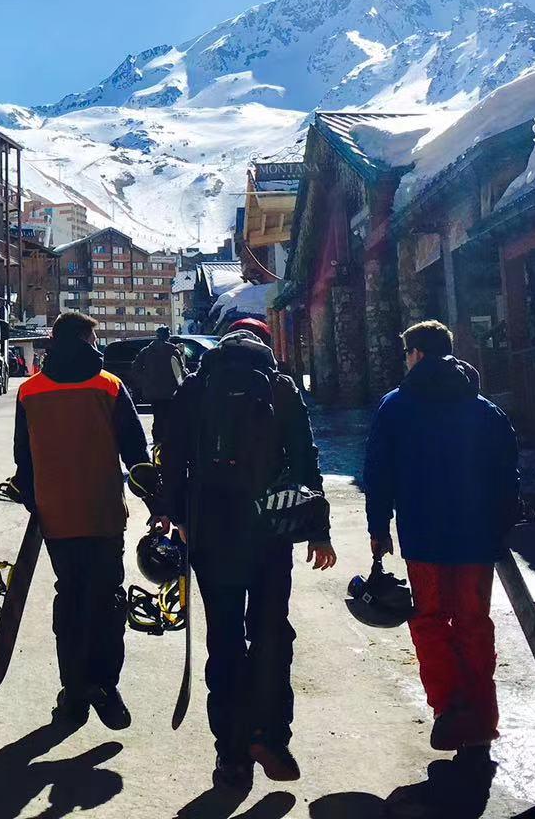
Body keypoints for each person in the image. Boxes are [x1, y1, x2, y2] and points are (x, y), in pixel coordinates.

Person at [152, 317, 335, 788]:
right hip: (271, 531)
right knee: (272, 634)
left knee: (225, 640)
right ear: (265, 347)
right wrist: (318, 529)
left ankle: (230, 754)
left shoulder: (195, 387)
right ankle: (270, 736)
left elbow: (171, 454)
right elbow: (305, 458)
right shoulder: (280, 388)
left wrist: (169, 515)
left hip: (211, 536)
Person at [363, 320, 520, 759]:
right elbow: (508, 472)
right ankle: (482, 721)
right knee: (473, 623)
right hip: (474, 541)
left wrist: (378, 528)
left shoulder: (395, 407)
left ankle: (448, 709)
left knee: (430, 621)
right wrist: (500, 526)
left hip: (423, 538)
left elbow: (378, 474)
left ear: (415, 354)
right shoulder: (483, 409)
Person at [12, 311, 150, 731]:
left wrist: (36, 502)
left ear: (54, 341)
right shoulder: (108, 385)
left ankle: (72, 694)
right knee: (107, 599)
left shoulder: (30, 391)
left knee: (70, 599)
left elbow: (23, 460)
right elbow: (136, 454)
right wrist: (159, 504)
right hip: (104, 513)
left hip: (56, 518)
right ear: (89, 341)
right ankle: (105, 687)